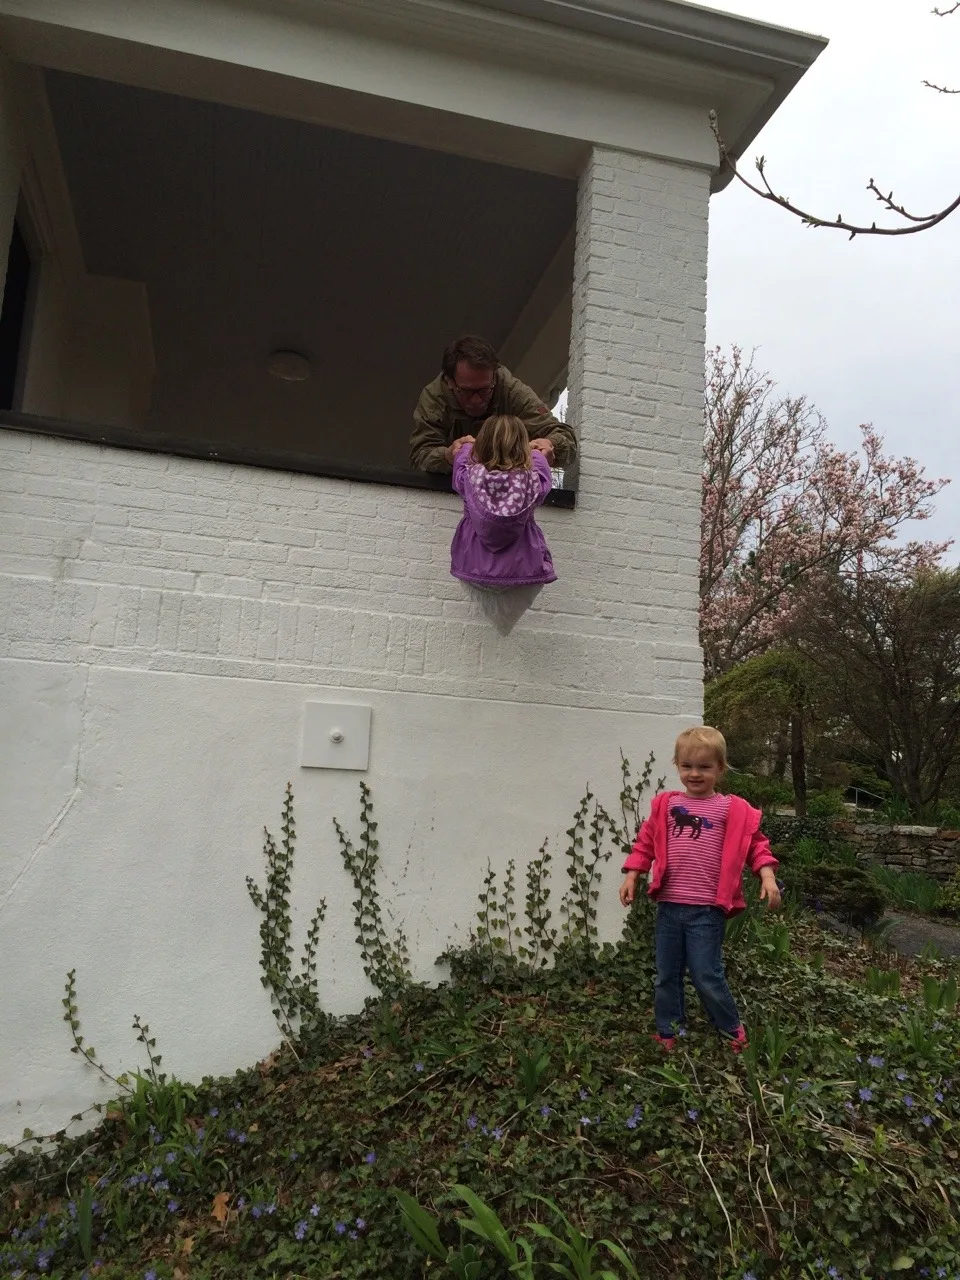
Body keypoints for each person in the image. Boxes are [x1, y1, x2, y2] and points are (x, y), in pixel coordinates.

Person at [619, 726, 781, 1053]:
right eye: (687, 766)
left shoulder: (730, 809)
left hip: (707, 911)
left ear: (720, 769)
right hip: (669, 908)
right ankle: (669, 1030)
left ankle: (731, 1029)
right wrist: (633, 874)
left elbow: (756, 846)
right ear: (677, 765)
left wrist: (767, 876)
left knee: (706, 974)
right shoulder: (665, 806)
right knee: (667, 974)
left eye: (705, 767)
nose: (695, 774)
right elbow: (645, 842)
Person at [410, 334, 577, 474]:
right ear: (450, 382)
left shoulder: (511, 390)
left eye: (484, 390)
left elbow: (567, 440)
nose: (476, 400)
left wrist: (550, 445)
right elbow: (420, 457)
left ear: (494, 378)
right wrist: (447, 456)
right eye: (467, 391)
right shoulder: (434, 398)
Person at [450, 415, 556, 633]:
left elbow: (460, 461)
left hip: (473, 564)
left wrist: (467, 446)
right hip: (522, 569)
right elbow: (543, 475)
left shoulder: (468, 477)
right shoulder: (533, 481)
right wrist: (536, 453)